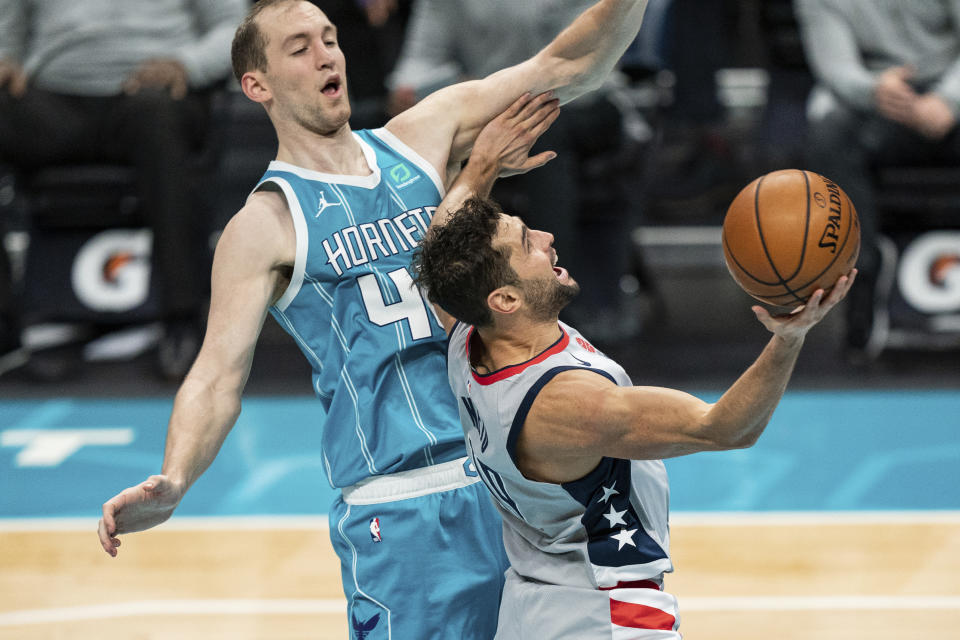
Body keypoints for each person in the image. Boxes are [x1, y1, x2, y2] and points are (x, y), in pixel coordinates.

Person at [97, 1, 651, 638]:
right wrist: (177, 477)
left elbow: (568, 62)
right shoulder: (266, 224)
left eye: (330, 38)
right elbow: (217, 375)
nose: (327, 53)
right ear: (258, 85)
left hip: (507, 478)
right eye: (299, 47)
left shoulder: (422, 136)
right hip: (402, 505)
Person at [413, 121, 855, 636]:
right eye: (527, 243)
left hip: (531, 607)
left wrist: (483, 166)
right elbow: (724, 428)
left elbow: (439, 252)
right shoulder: (568, 405)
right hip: (606, 615)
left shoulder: (467, 333)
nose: (549, 239)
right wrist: (791, 336)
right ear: (507, 300)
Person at [0, 0, 246, 379]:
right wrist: (6, 57)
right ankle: (6, 328)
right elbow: (10, 20)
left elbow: (238, 29)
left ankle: (181, 319)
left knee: (157, 113)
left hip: (154, 91)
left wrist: (187, 64)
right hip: (53, 94)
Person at [387, 0, 640, 340]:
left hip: (570, 105)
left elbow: (572, 64)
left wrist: (486, 153)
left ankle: (557, 300)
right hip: (489, 104)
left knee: (541, 125)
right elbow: (416, 67)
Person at [794, 0, 960, 359]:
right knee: (828, 137)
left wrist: (949, 100)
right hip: (876, 97)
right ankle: (861, 278)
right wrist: (876, 90)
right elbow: (835, 68)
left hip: (950, 89)